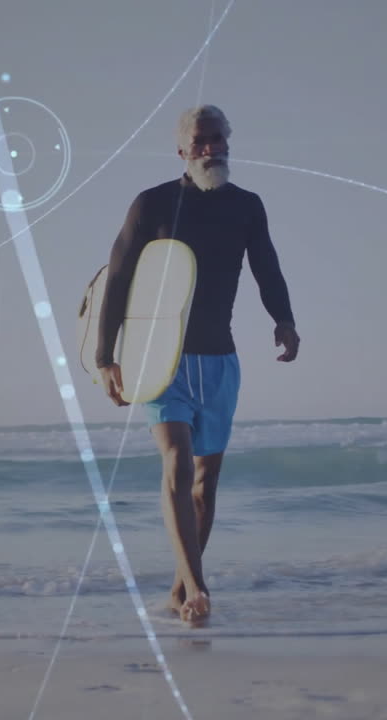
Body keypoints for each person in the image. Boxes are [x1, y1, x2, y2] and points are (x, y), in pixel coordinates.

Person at [95, 104, 300, 623]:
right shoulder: (153, 204)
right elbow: (117, 277)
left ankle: (178, 587)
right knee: (177, 463)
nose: (212, 149)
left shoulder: (247, 206)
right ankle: (198, 588)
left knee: (206, 483)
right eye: (201, 142)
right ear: (182, 150)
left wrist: (284, 319)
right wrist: (106, 357)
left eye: (218, 140)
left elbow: (267, 268)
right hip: (160, 358)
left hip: (220, 358)